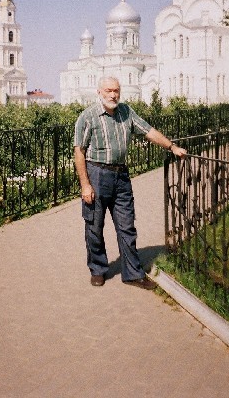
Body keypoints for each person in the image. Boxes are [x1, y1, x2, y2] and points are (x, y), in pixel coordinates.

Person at [74, 76, 186, 289]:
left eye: (116, 90)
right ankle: (98, 270)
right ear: (99, 92)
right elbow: (79, 152)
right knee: (94, 227)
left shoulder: (126, 112)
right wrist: (85, 185)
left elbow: (148, 131)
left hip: (121, 177)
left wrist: (171, 147)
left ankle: (133, 273)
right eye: (108, 90)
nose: (113, 95)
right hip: (97, 175)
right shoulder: (87, 117)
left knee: (127, 226)